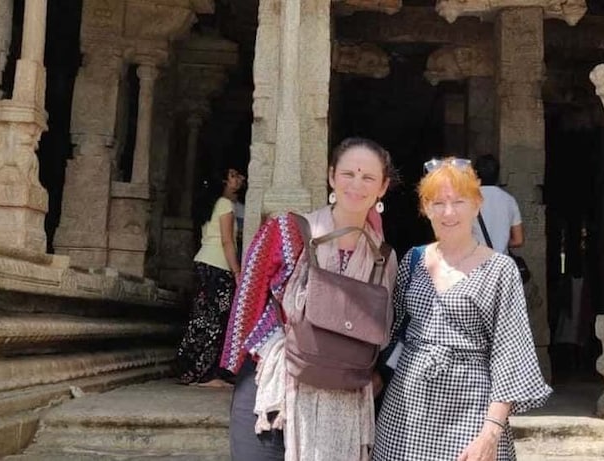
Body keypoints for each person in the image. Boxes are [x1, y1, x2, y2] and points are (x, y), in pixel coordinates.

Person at [220, 137, 398, 460]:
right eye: (348, 174)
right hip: (275, 386)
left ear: (382, 187)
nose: (356, 185)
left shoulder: (383, 257)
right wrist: (236, 365)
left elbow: (383, 325)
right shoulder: (288, 230)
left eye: (368, 177)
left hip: (345, 395)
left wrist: (376, 376)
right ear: (331, 177)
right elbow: (249, 298)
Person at [373, 157, 551, 461]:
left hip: (472, 409)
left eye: (459, 201)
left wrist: (491, 432)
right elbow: (390, 333)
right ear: (425, 208)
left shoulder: (500, 269)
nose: (448, 212)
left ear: (476, 204)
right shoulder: (412, 261)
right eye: (438, 202)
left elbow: (510, 354)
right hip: (406, 410)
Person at [176, 167, 244, 387]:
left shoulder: (212, 204)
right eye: (233, 176)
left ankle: (191, 370)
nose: (239, 180)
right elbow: (227, 241)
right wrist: (237, 271)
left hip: (204, 262)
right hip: (218, 265)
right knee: (217, 320)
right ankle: (209, 375)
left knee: (201, 319)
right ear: (223, 180)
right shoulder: (225, 204)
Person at [472, 155, 523, 254]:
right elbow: (518, 240)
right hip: (500, 263)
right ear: (497, 174)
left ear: (475, 174)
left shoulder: (468, 200)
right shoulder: (510, 201)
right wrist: (500, 243)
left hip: (474, 262)